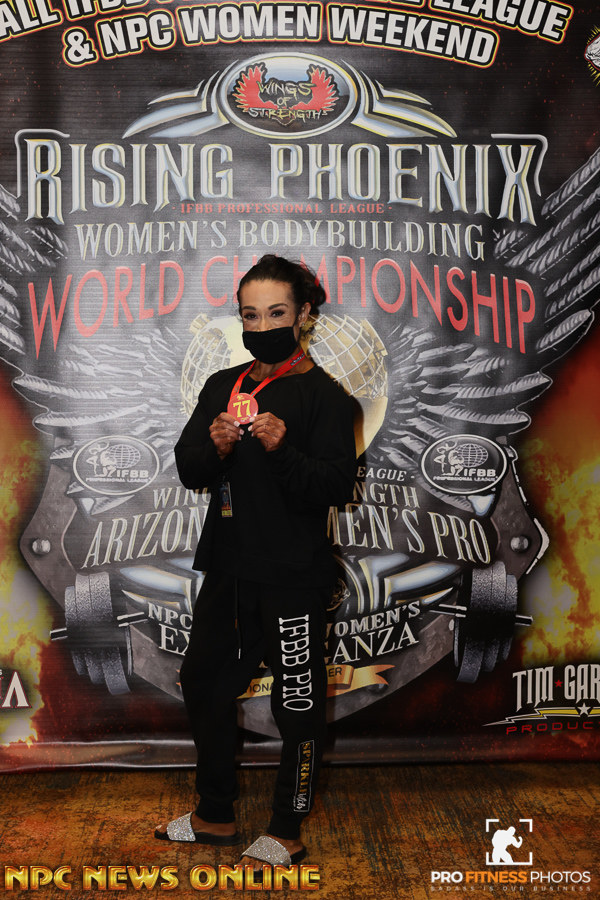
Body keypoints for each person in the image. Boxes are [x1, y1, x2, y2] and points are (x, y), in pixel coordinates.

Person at [156, 255, 357, 872]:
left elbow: (334, 486)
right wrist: (214, 447)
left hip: (293, 574)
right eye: (250, 314)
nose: (262, 325)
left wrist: (282, 449)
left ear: (303, 315)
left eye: (276, 313)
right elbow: (189, 467)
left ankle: (286, 829)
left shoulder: (327, 397)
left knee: (297, 700)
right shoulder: (224, 384)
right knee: (203, 683)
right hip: (229, 569)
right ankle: (214, 813)